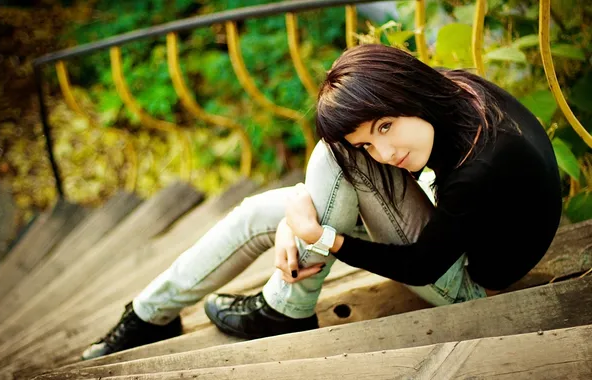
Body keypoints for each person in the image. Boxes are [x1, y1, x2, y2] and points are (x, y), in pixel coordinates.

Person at [81, 43, 562, 360]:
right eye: (373, 141)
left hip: (469, 287)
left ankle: (286, 308)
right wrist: (298, 211)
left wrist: (323, 237)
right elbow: (363, 162)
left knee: (337, 159)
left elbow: (423, 266)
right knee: (260, 212)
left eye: (386, 127)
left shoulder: (482, 164)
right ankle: (148, 315)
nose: (387, 153)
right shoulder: (454, 92)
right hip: (455, 234)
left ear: (407, 92)